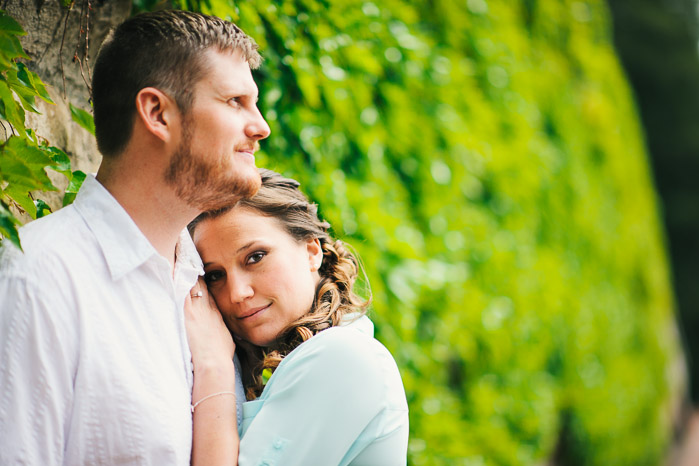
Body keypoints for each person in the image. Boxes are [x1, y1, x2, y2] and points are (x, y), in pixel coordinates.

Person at [0, 10, 270, 465]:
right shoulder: (40, 281)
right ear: (157, 112)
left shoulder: (208, 284)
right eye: (234, 101)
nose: (260, 126)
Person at [185, 169, 409, 465]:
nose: (237, 293)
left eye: (255, 257)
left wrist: (213, 365)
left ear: (311, 251)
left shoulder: (341, 356)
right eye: (215, 275)